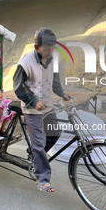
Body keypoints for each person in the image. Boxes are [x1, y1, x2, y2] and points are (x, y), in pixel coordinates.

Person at [13, 28, 70, 194]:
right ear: (37, 47)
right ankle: (43, 178)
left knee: (54, 134)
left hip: (48, 106)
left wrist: (62, 94)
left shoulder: (52, 58)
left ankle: (34, 153)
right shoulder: (26, 63)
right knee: (39, 142)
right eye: (46, 49)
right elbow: (17, 88)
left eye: (52, 48)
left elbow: (55, 79)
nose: (50, 52)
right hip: (32, 108)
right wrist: (33, 100)